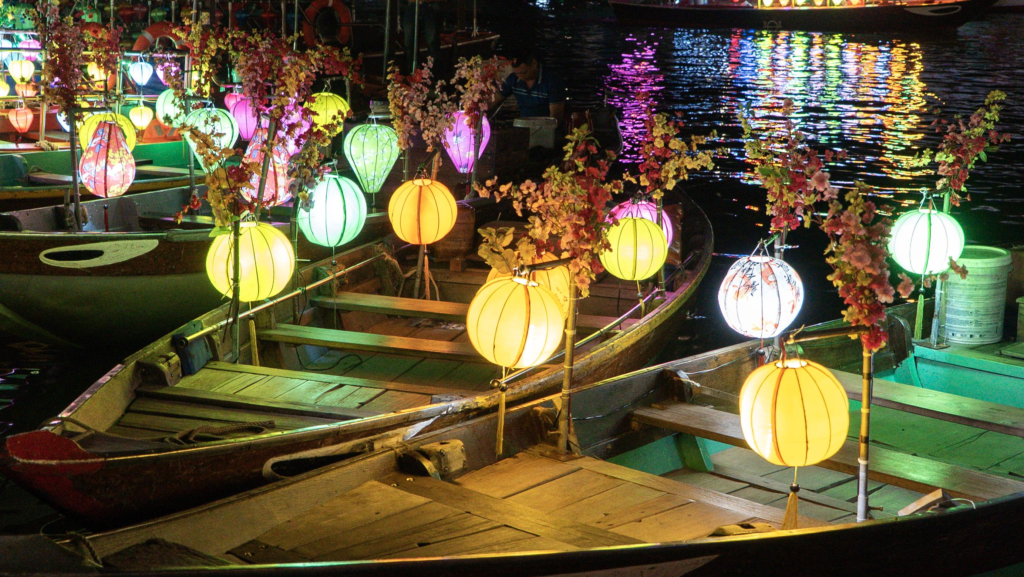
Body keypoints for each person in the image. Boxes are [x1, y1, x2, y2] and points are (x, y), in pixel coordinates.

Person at [495, 49, 566, 124]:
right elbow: (495, 100)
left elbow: (555, 119)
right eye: (517, 73)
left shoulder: (552, 81)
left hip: (546, 128)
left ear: (534, 63)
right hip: (523, 126)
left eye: (524, 73)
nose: (520, 77)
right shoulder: (513, 79)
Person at [403, 0, 443, 75]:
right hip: (412, 4)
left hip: (431, 5)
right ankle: (412, 74)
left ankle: (431, 75)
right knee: (409, 42)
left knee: (432, 41)